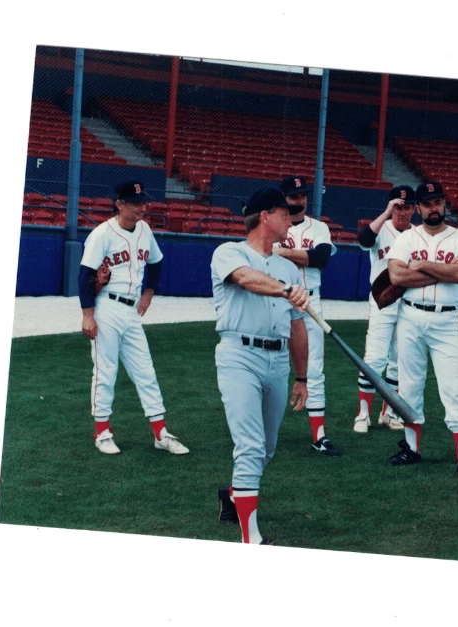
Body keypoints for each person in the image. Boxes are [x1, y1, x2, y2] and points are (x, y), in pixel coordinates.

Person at [211, 187, 311, 545]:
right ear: (265, 217)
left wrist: (302, 377)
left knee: (266, 448)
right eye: (285, 214)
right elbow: (246, 279)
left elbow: (297, 325)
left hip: (278, 359)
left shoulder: (288, 266)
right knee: (251, 446)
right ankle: (251, 541)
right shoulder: (229, 252)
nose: (291, 219)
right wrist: (286, 289)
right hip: (239, 355)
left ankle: (235, 494)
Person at [78, 180, 189, 455]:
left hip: (130, 312)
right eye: (136, 203)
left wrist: (149, 293)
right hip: (106, 308)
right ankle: (102, 432)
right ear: (120, 204)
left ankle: (160, 433)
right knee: (106, 372)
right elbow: (84, 276)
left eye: (143, 201)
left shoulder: (145, 229)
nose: (143, 207)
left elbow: (156, 262)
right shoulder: (102, 234)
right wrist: (88, 316)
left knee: (146, 371)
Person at [384, 181, 458, 482]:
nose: (433, 207)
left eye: (438, 201)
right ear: (419, 207)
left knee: (454, 388)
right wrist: (442, 275)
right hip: (410, 316)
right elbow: (396, 275)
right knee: (409, 387)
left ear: (444, 204)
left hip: (446, 320)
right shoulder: (407, 236)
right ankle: (412, 449)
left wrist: (424, 264)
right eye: (427, 203)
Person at [274, 175, 340, 456]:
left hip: (311, 299)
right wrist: (302, 255)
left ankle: (319, 435)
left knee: (314, 369)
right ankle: (263, 430)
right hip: (277, 299)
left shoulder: (320, 227)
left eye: (302, 196)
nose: (299, 200)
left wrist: (285, 252)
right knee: (272, 365)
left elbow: (320, 258)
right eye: (293, 196)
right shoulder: (273, 225)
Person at [353, 185, 416, 433]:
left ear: (414, 209)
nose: (402, 211)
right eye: (397, 206)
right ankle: (363, 414)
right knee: (374, 358)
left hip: (407, 303)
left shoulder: (417, 234)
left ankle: (388, 413)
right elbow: (363, 240)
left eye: (407, 206)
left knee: (399, 361)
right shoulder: (381, 229)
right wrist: (387, 211)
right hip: (381, 301)